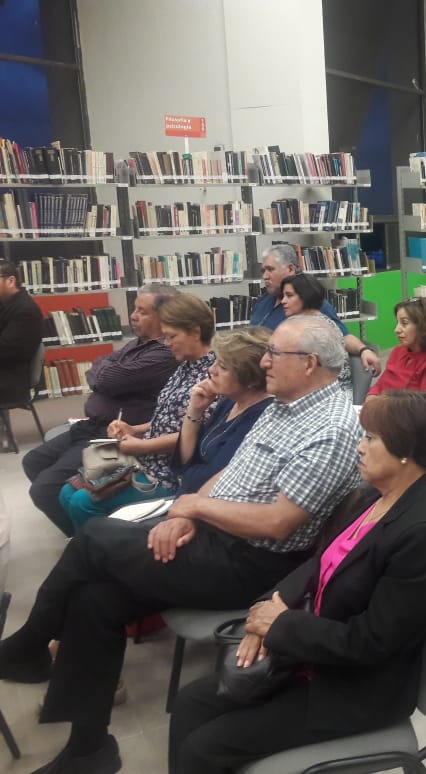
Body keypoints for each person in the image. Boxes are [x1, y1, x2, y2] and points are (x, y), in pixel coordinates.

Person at [0, 316, 363, 774]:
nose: (265, 362)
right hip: (218, 535)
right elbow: (229, 474)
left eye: (275, 353)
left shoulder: (329, 428)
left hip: (251, 563)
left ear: (309, 364)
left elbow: (278, 523)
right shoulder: (285, 405)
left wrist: (193, 508)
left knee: (94, 537)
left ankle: (27, 646)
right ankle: (88, 749)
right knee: (95, 600)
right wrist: (188, 510)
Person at [168, 390, 426, 774]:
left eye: (372, 438)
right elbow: (320, 562)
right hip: (311, 653)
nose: (360, 446)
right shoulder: (374, 497)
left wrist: (281, 626)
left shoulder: (423, 535)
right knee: (189, 704)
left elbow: (372, 642)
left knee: (202, 750)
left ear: (407, 452)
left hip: (350, 688)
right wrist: (270, 608)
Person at [22, 284, 180, 537]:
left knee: (44, 489)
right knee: (33, 461)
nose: (133, 316)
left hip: (112, 434)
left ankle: (87, 538)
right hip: (90, 425)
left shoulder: (164, 353)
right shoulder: (137, 344)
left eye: (142, 311)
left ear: (165, 316)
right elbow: (97, 368)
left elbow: (108, 378)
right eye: (134, 309)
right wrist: (105, 371)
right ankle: (80, 530)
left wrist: (106, 371)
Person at [57, 294, 217, 530]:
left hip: (169, 474)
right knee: (66, 493)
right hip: (145, 462)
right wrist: (134, 429)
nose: (166, 343)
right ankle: (92, 545)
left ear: (195, 332)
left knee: (82, 503)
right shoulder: (184, 366)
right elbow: (167, 417)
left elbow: (199, 434)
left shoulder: (213, 377)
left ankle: (101, 547)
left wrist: (142, 446)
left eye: (172, 336)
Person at [172, 326, 274, 495]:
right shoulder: (229, 401)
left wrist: (186, 476)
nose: (211, 370)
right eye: (215, 361)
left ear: (251, 378)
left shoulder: (262, 417)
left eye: (223, 367)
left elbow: (211, 478)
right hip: (190, 498)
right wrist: (195, 411)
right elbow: (185, 460)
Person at [251, 244, 381, 376]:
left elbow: (342, 336)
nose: (265, 276)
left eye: (270, 269)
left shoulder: (312, 304)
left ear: (290, 269)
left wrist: (363, 350)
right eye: (263, 271)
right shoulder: (263, 301)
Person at [367, 297, 426, 396]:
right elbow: (379, 386)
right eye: (397, 322)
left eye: (404, 323)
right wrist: (371, 396)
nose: (396, 330)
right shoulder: (397, 351)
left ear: (423, 326)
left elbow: (423, 403)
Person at [0, 260, 44, 409]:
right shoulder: (6, 303)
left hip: (11, 379)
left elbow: (6, 350)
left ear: (10, 281)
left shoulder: (26, 311)